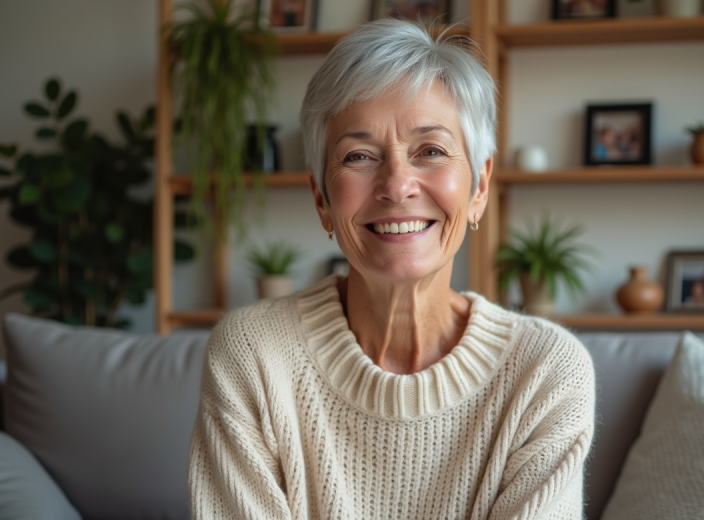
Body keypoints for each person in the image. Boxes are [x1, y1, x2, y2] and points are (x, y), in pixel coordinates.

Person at [188, 19, 595, 520]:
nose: (397, 185)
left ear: (480, 188)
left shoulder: (546, 370)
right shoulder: (254, 354)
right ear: (321, 198)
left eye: (431, 151)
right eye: (359, 156)